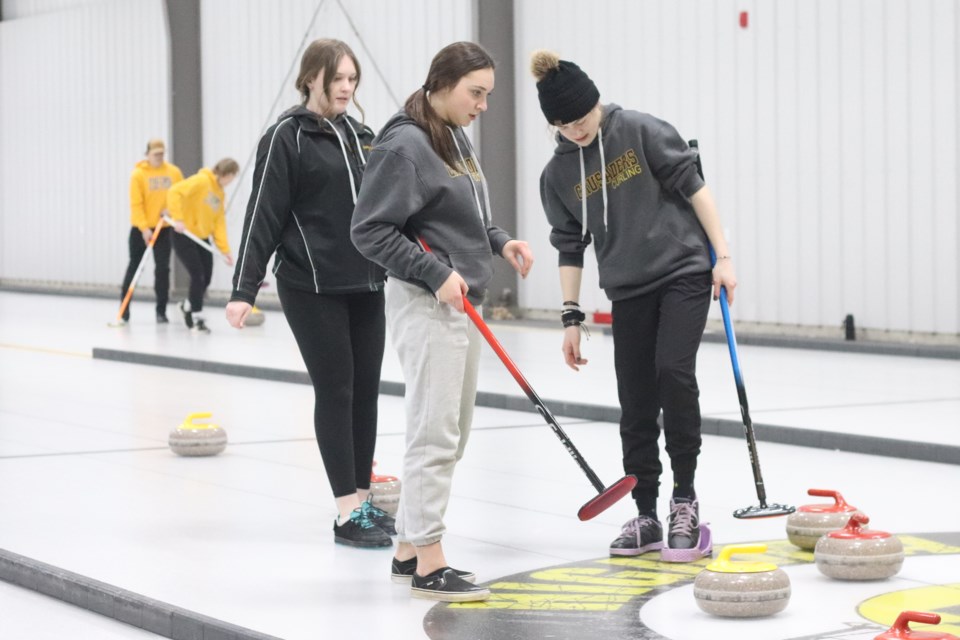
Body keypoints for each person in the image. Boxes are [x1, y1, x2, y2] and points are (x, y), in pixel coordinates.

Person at [530, 50, 737, 563]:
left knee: (672, 371)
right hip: (627, 288)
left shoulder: (642, 131)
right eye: (562, 125)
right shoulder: (557, 174)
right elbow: (568, 245)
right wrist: (571, 315)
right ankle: (645, 511)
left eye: (581, 120)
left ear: (597, 104)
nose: (575, 132)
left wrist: (724, 259)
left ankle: (683, 499)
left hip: (683, 272)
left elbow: (698, 191)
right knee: (636, 397)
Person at [351, 41, 534, 603]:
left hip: (460, 298)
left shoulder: (451, 134)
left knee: (451, 434)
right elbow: (370, 230)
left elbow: (461, 214)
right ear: (442, 83)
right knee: (433, 433)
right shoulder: (404, 145)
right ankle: (431, 561)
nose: (482, 105)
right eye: (475, 93)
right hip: (430, 303)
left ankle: (408, 550)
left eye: (487, 95)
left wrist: (500, 241)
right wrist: (434, 273)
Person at [226, 39, 395, 548]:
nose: (346, 88)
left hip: (367, 282)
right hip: (311, 284)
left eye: (352, 79)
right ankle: (346, 512)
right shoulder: (286, 137)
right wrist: (243, 289)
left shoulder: (362, 136)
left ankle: (363, 501)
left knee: (367, 390)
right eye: (337, 79)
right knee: (337, 389)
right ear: (311, 80)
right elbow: (263, 214)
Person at [168, 158, 239, 333]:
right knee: (197, 275)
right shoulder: (201, 181)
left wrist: (225, 250)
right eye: (231, 177)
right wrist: (178, 218)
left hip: (202, 238)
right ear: (226, 174)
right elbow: (174, 191)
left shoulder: (220, 194)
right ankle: (197, 318)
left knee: (205, 278)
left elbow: (219, 223)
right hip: (184, 235)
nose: (231, 182)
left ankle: (187, 306)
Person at [120, 139, 183, 324]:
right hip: (141, 230)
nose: (159, 157)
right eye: (155, 154)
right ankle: (124, 311)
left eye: (162, 153)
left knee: (163, 270)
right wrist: (144, 228)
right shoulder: (138, 175)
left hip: (163, 229)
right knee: (134, 267)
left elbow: (180, 196)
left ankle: (161, 312)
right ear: (147, 154)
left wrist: (171, 211)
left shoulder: (173, 172)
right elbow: (136, 204)